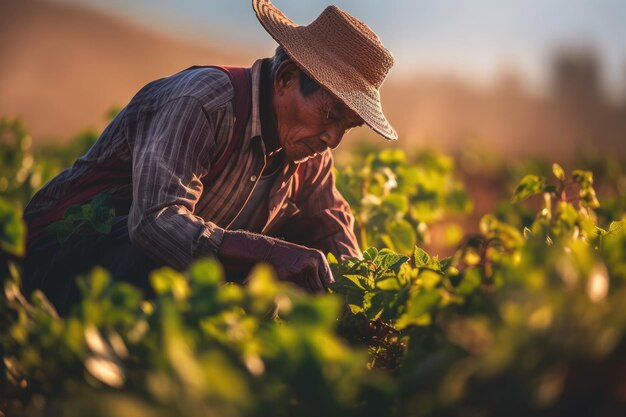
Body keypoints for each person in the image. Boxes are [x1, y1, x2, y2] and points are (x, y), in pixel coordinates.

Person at [21, 0, 397, 314]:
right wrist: (267, 252)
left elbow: (332, 225)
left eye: (347, 127)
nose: (332, 139)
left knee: (306, 257)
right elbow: (154, 222)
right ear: (285, 77)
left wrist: (362, 295)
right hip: (55, 262)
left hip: (155, 288)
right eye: (330, 115)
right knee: (161, 246)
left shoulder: (307, 150)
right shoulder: (205, 102)